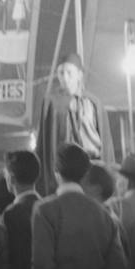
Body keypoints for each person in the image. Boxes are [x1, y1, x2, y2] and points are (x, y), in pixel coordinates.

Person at [36, 53, 115, 196]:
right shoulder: (52, 103)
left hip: (92, 165)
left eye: (69, 72)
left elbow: (104, 139)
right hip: (65, 170)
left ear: (79, 74)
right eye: (61, 73)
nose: (65, 77)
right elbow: (45, 141)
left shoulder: (93, 102)